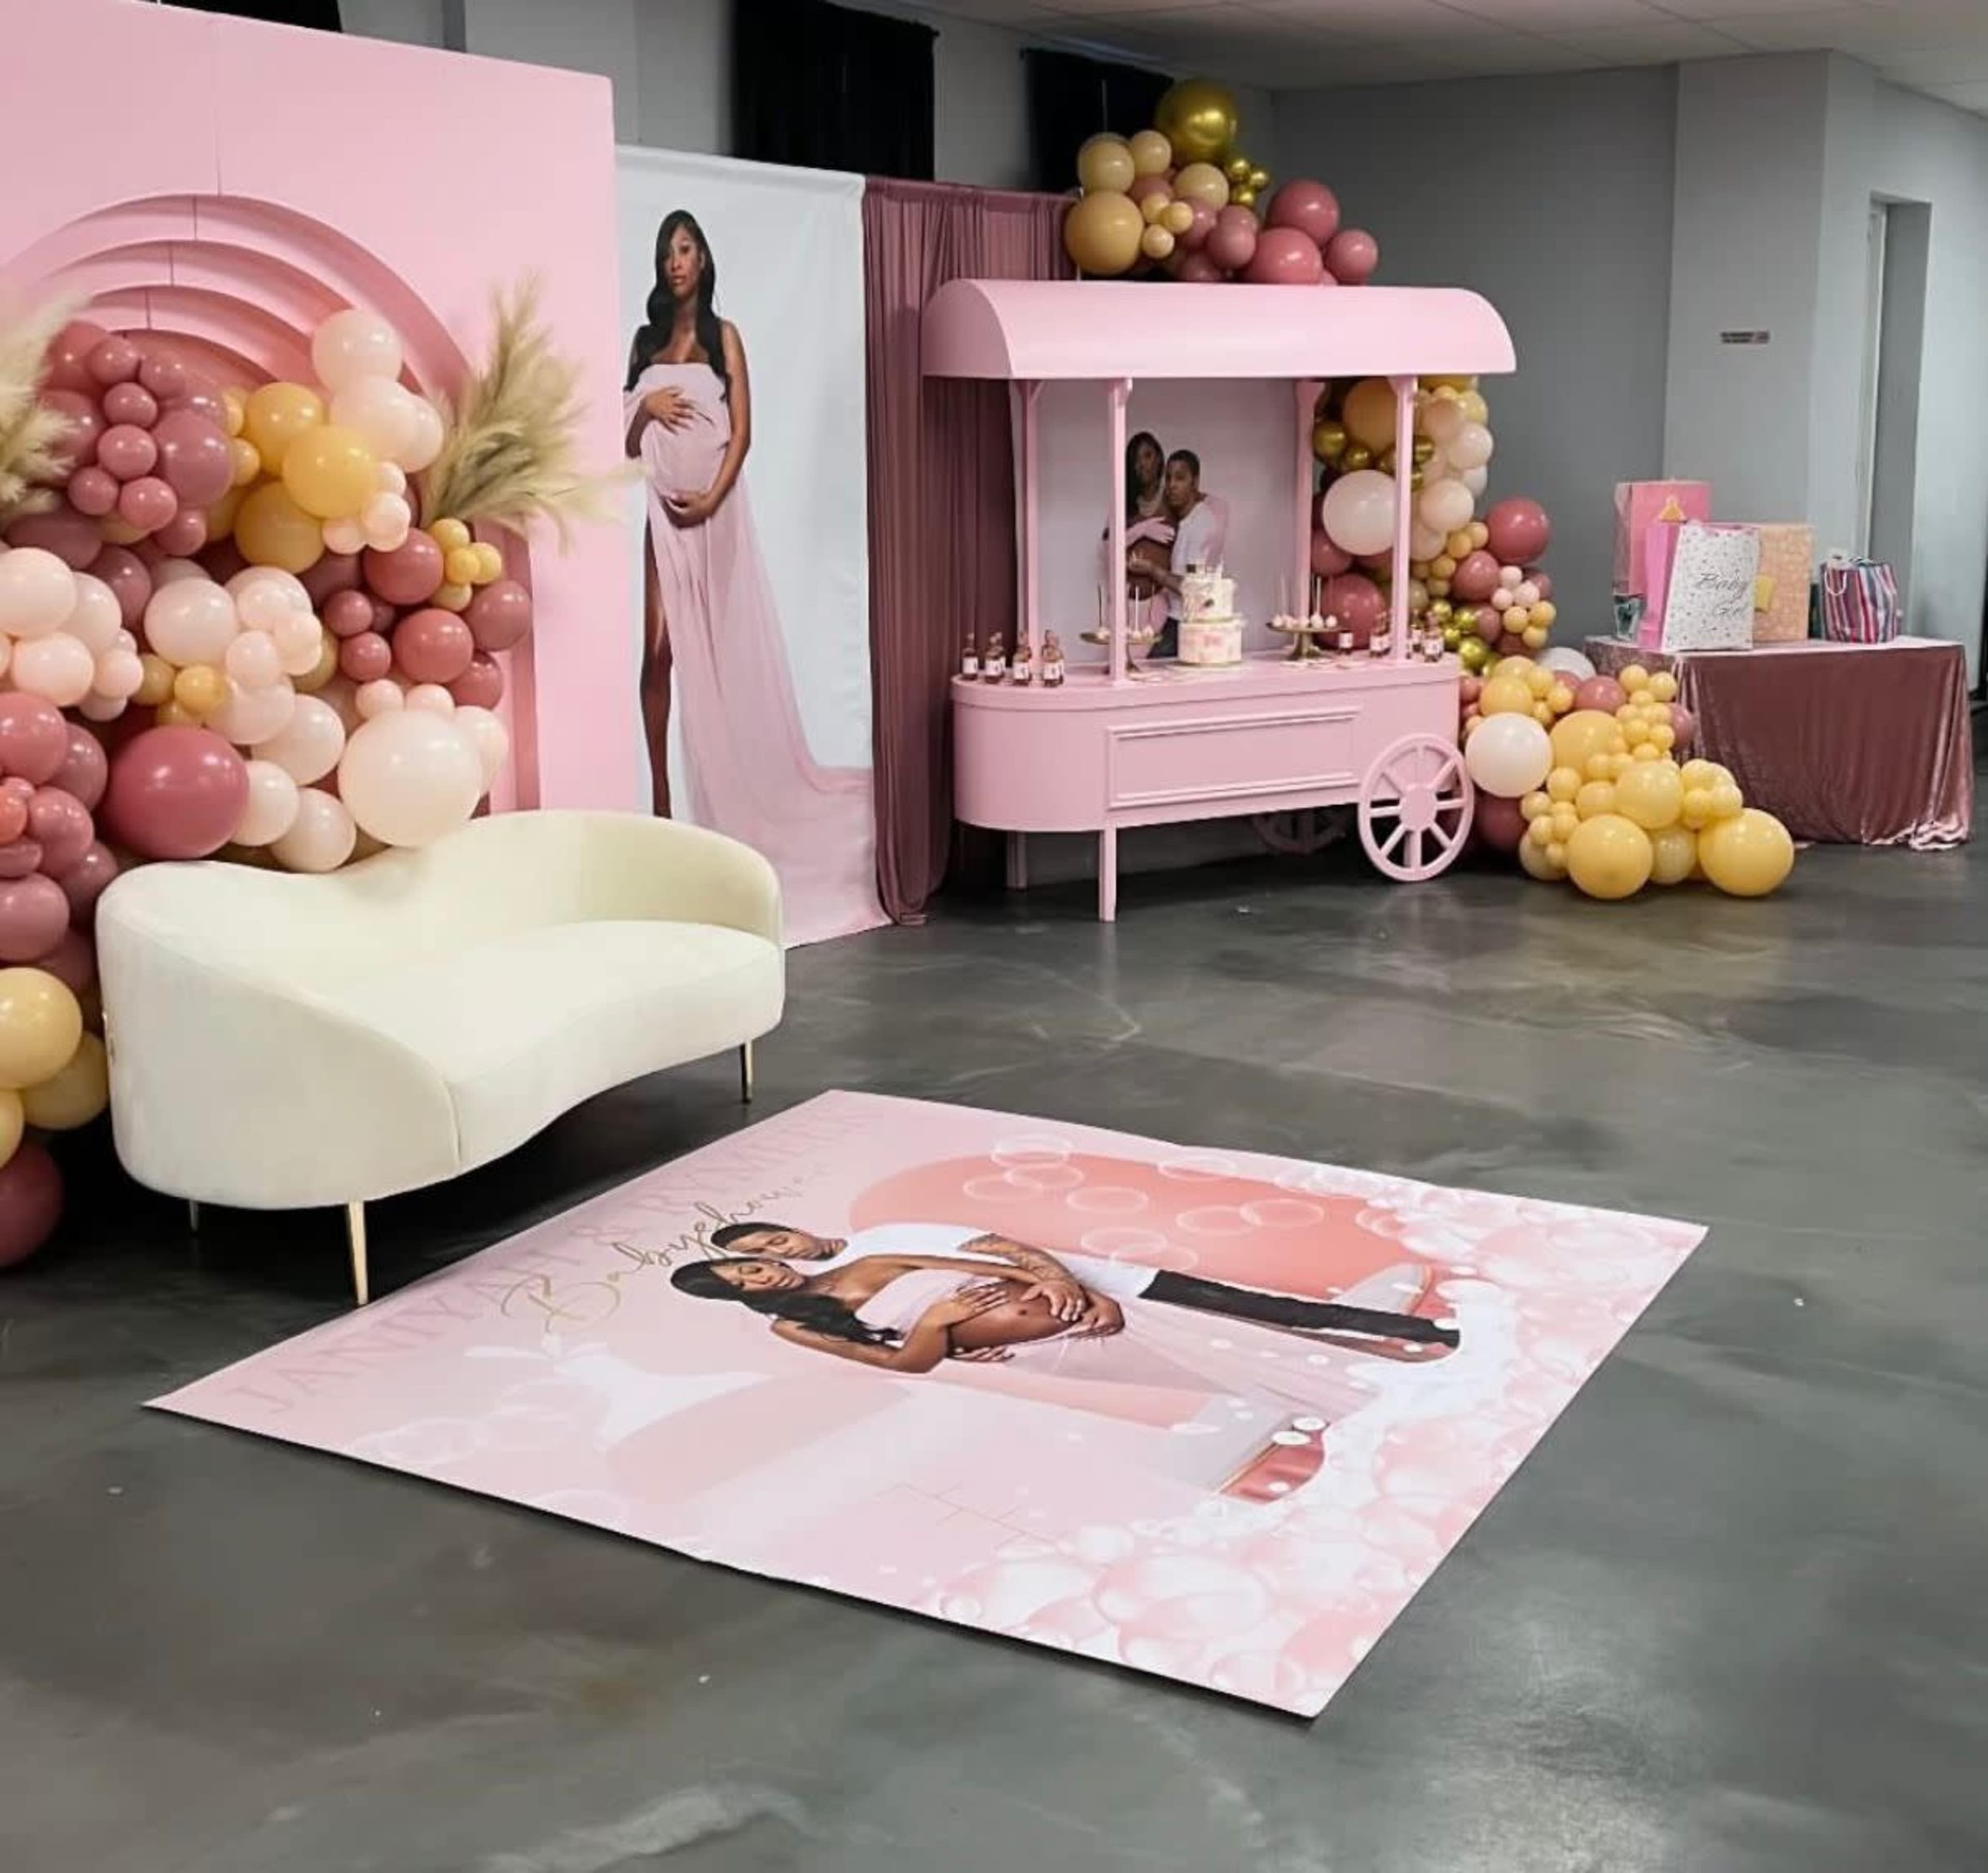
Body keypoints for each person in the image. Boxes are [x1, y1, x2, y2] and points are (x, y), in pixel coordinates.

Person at [623, 209, 882, 945]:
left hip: (716, 512)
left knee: (725, 650)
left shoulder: (722, 335)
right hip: (660, 515)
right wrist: (646, 404)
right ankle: (664, 798)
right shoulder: (645, 341)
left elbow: (744, 429)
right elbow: (618, 427)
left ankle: (739, 781)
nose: (676, 261)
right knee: (659, 650)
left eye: (686, 248)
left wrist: (712, 495)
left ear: (703, 259)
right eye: (666, 250)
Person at [669, 1249, 1430, 1428]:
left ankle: (1403, 1363)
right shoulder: (798, 1326)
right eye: (742, 1280)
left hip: (1077, 1312)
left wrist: (1083, 1287)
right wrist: (938, 1326)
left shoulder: (869, 1260)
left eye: (755, 1263)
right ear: (734, 1298)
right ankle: (1382, 1408)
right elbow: (903, 1363)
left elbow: (988, 1263)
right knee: (1223, 1378)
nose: (761, 1275)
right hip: (1048, 1349)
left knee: (1233, 1331)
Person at [706, 1219, 1457, 1352]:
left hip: (1102, 1288)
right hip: (1047, 1328)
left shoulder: (876, 1244)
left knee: (1267, 1315)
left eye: (769, 1242)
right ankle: (1398, 1347)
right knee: (1247, 1339)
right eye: (753, 1263)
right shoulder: (830, 1291)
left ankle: (1421, 1334)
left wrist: (1064, 1280)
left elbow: (992, 1250)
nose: (775, 1256)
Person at [1145, 450, 1227, 660]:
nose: (1172, 485)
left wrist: (1152, 571)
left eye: (1180, 478)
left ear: (1195, 483)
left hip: (1189, 623)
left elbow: (1193, 586)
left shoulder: (1200, 524)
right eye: (1169, 478)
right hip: (1179, 619)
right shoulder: (1188, 520)